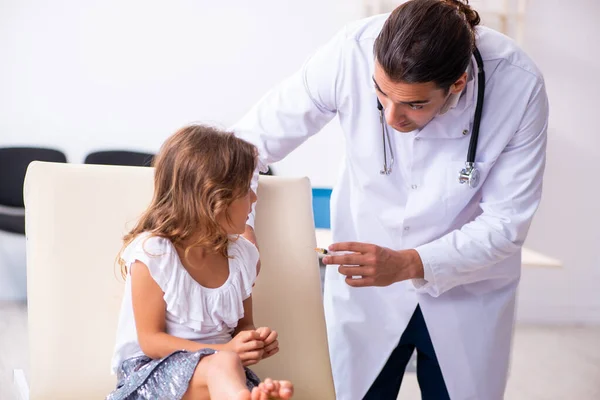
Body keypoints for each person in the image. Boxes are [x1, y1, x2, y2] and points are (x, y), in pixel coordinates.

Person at [232, 0, 549, 399]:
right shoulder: (351, 51)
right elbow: (243, 146)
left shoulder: (517, 83)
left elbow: (507, 222)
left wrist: (409, 262)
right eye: (381, 94)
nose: (390, 117)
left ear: (457, 84)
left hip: (466, 290)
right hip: (367, 292)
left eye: (415, 105)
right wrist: (239, 225)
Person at [107, 125, 294, 400]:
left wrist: (252, 342)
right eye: (246, 191)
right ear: (213, 199)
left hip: (221, 376)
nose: (254, 199)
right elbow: (151, 341)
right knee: (225, 366)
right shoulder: (154, 254)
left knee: (227, 368)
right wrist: (227, 352)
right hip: (153, 376)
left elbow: (244, 325)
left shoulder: (242, 257)